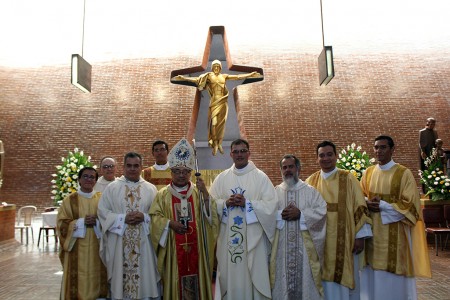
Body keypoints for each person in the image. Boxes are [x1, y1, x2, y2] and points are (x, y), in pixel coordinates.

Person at [360, 135, 431, 300]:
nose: (379, 151)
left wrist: (383, 205)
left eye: (383, 147)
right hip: (372, 237)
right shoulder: (368, 173)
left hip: (396, 237)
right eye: (376, 147)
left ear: (392, 149)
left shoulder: (403, 173)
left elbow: (412, 206)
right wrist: (366, 202)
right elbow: (359, 197)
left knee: (392, 282)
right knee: (372, 277)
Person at [149, 138, 219, 300]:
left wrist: (206, 195)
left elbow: (211, 218)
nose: (181, 175)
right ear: (171, 172)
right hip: (174, 250)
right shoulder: (163, 195)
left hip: (197, 249)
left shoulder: (198, 193)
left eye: (185, 171)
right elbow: (154, 218)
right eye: (177, 171)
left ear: (190, 173)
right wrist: (169, 224)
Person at [209, 138, 277, 299]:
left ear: (249, 153)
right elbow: (210, 204)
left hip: (254, 240)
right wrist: (225, 203)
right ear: (231, 154)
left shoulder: (261, 177)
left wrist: (248, 204)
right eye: (236, 151)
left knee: (252, 271)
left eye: (243, 151)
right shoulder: (222, 178)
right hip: (228, 240)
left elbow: (271, 206)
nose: (239, 154)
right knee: (230, 274)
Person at [306, 140, 372, 300]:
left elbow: (360, 207)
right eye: (322, 155)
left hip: (346, 241)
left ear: (336, 156)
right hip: (319, 242)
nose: (326, 158)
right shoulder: (311, 181)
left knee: (345, 279)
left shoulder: (348, 179)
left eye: (329, 155)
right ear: (317, 158)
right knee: (320, 278)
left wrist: (360, 237)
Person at [98, 152, 161, 300]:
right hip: (120, 242)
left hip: (144, 242)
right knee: (121, 280)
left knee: (145, 280)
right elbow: (102, 212)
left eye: (136, 166)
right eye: (129, 166)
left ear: (141, 167)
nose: (132, 169)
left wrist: (144, 217)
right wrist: (122, 218)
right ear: (124, 166)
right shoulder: (112, 188)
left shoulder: (151, 189)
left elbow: (158, 216)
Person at [172, 60, 261, 156]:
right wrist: (183, 78)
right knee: (213, 124)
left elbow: (237, 77)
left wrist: (250, 75)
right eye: (214, 66)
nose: (216, 68)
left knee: (221, 125)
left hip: (223, 102)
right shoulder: (209, 76)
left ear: (220, 68)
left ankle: (219, 144)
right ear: (212, 67)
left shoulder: (224, 76)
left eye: (218, 66)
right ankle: (214, 143)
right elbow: (197, 79)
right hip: (214, 102)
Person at [270, 154, 327, 300]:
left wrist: (301, 215)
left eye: (291, 166)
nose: (288, 170)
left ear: (298, 169)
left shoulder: (310, 191)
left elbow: (322, 212)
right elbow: (266, 213)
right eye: (284, 167)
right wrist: (279, 215)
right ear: (281, 170)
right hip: (281, 251)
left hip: (305, 252)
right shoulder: (274, 192)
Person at [57, 166, 108, 299]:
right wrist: (80, 223)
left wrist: (97, 222)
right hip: (76, 248)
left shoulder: (102, 199)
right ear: (79, 179)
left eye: (92, 177)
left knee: (98, 278)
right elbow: (61, 224)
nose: (88, 179)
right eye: (85, 176)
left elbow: (109, 220)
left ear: (96, 181)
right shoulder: (69, 200)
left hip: (98, 248)